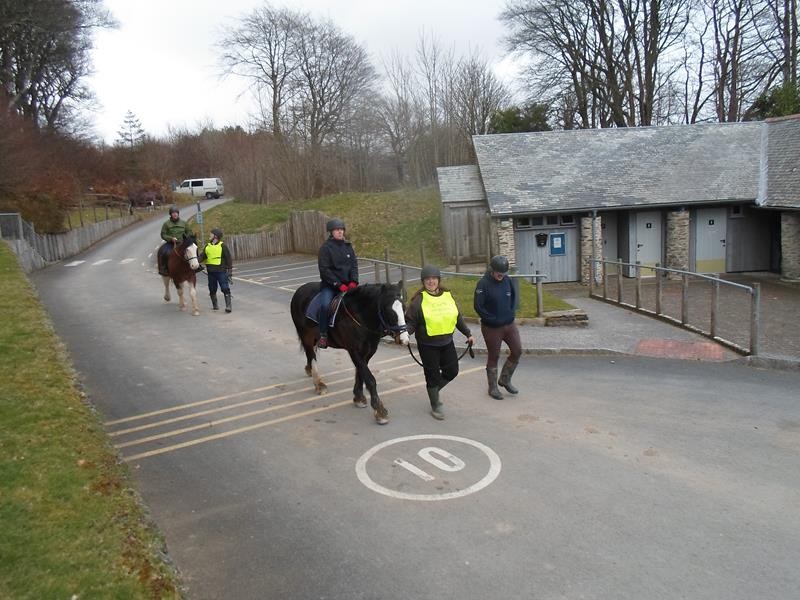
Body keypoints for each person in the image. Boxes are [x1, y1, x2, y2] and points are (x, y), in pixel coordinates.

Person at [405, 265, 475, 420]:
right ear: (423, 281)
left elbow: (457, 317)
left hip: (446, 342)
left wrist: (468, 333)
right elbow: (411, 323)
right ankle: (435, 403)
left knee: (452, 371)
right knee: (432, 375)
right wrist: (406, 334)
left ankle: (434, 390)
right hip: (427, 345)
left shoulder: (447, 296)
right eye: (428, 279)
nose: (431, 281)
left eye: (434, 278)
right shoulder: (418, 301)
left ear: (438, 280)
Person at [473, 255, 522, 400]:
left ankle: (505, 379)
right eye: (499, 273)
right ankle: (493, 387)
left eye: (503, 273)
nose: (501, 276)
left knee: (517, 351)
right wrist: (492, 319)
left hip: (509, 324)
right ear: (492, 270)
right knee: (494, 356)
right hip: (492, 327)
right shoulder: (483, 284)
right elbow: (478, 306)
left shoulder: (507, 280)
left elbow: (513, 297)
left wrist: (511, 312)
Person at [317, 217, 358, 349]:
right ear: (331, 232)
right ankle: (323, 335)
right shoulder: (325, 248)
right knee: (324, 306)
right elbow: (324, 270)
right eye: (337, 230)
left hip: (349, 286)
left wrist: (354, 281)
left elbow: (354, 265)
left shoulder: (348, 246)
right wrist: (338, 284)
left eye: (341, 229)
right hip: (331, 286)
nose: (340, 232)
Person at [199, 228, 233, 313]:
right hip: (211, 272)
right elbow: (202, 256)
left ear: (215, 236)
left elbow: (228, 259)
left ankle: (228, 306)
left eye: (211, 234)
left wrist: (230, 272)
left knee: (225, 288)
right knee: (212, 289)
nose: (209, 235)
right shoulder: (207, 246)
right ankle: (215, 305)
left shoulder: (222, 246)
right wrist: (196, 262)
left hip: (221, 271)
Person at [158, 205, 193, 275]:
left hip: (183, 243)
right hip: (171, 243)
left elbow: (189, 232)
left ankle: (196, 265)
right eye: (173, 213)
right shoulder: (166, 224)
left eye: (176, 212)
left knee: (193, 249)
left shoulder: (184, 223)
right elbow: (163, 234)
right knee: (163, 251)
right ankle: (164, 268)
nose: (175, 214)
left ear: (178, 213)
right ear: (170, 214)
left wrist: (185, 237)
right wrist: (171, 238)